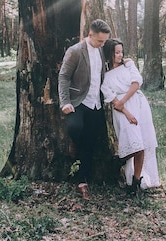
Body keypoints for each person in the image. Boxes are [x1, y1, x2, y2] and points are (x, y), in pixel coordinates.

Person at [58, 19, 111, 200]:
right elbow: (64, 76)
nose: (102, 44)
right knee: (74, 128)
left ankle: (82, 182)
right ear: (90, 36)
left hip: (96, 103)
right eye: (100, 41)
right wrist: (65, 102)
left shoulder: (101, 49)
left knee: (90, 143)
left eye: (104, 41)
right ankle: (73, 142)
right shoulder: (75, 51)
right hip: (78, 101)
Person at [101, 39, 160, 196]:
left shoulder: (128, 65)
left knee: (142, 143)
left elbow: (136, 84)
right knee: (134, 143)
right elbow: (112, 99)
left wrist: (123, 101)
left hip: (138, 103)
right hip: (122, 111)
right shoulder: (105, 76)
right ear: (109, 54)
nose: (120, 55)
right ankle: (119, 161)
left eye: (121, 52)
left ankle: (135, 182)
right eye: (116, 53)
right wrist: (126, 112)